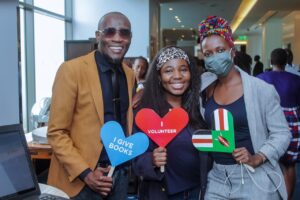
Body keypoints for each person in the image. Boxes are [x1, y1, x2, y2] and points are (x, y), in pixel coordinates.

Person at [198, 16, 291, 200]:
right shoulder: (203, 86)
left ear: (232, 51)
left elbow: (282, 134)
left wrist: (258, 157)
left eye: (220, 50)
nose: (214, 57)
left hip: (252, 177)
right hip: (216, 178)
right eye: (208, 54)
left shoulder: (261, 89)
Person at [47, 12, 135, 200]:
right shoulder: (71, 70)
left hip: (118, 176)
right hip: (80, 181)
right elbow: (57, 132)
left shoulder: (129, 74)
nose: (118, 38)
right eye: (110, 32)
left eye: (124, 33)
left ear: (130, 38)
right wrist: (86, 173)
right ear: (98, 36)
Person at [133, 46, 210, 200]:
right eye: (168, 70)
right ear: (159, 77)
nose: (177, 76)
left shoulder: (200, 107)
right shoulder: (147, 112)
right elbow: (135, 160)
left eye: (183, 69)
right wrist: (152, 160)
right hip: (162, 194)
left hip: (199, 192)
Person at [257, 48, 300, 200]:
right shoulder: (296, 79)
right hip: (292, 123)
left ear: (271, 61)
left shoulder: (261, 78)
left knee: (267, 161)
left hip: (268, 122)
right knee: (289, 165)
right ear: (286, 62)